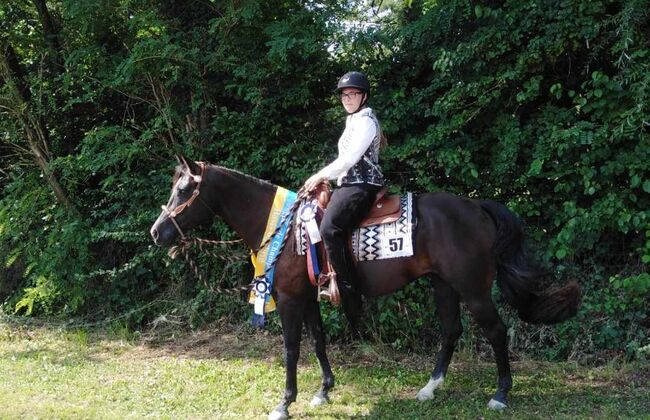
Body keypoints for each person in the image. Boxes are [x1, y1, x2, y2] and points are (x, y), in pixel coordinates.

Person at [303, 71, 385, 329]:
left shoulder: (366, 121)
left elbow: (349, 160)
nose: (347, 98)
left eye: (353, 94)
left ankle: (350, 289)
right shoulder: (354, 120)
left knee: (329, 228)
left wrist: (318, 175)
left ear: (364, 96)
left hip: (362, 185)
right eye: (344, 95)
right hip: (348, 184)